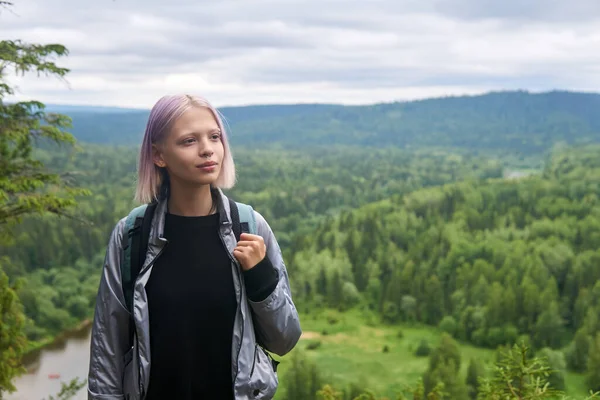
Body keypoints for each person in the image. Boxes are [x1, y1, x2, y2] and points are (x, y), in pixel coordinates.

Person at [87, 94, 302, 400]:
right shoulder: (132, 236)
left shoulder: (250, 228)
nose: (207, 149)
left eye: (214, 137)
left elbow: (285, 340)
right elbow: (107, 352)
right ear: (159, 155)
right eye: (189, 141)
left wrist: (261, 279)